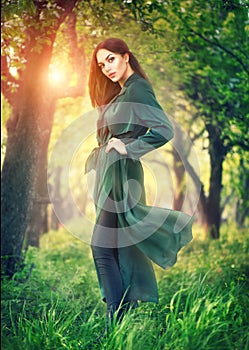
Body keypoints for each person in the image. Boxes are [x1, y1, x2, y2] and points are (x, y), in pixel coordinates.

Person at [85, 38, 193, 328]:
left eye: (110, 59)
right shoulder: (121, 93)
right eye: (101, 64)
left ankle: (115, 323)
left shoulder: (139, 89)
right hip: (111, 175)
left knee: (102, 246)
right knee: (115, 246)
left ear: (125, 56)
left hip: (123, 176)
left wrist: (128, 147)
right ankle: (119, 321)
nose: (106, 68)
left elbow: (163, 129)